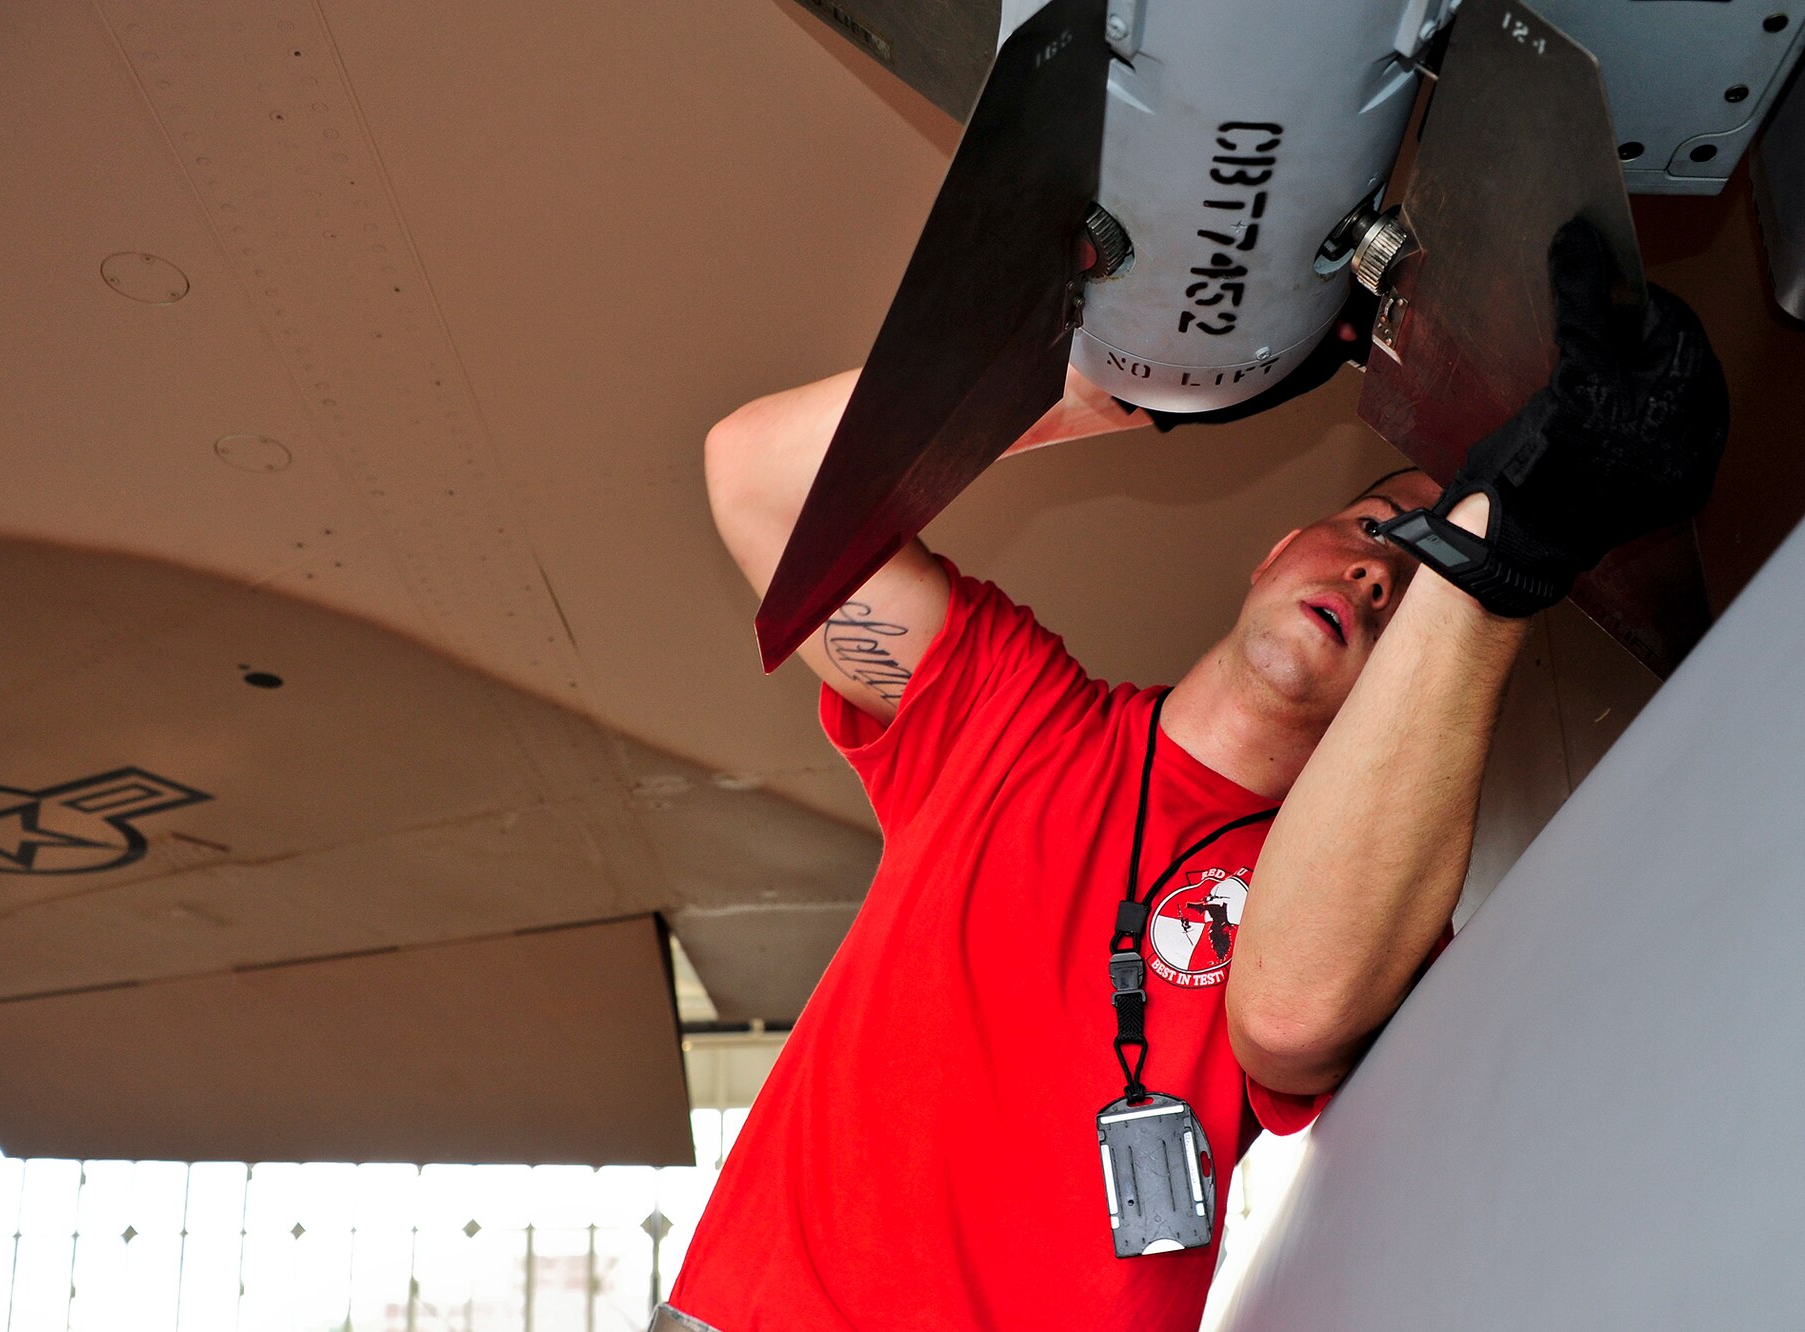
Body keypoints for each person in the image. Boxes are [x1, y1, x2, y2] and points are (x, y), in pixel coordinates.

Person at [657, 222, 1726, 1332]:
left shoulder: (1358, 892)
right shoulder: (1006, 712)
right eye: (1376, 531)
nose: (1377, 575)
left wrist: (1497, 570)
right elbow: (756, 481)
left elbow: (1288, 1016)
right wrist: (1133, 378)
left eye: (1419, 584)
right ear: (1275, 548)